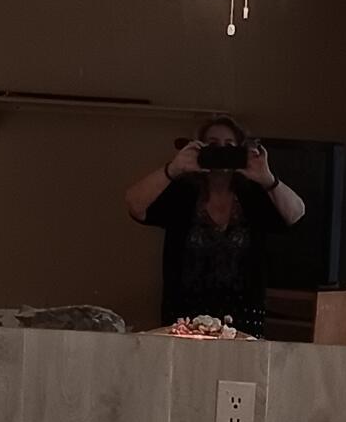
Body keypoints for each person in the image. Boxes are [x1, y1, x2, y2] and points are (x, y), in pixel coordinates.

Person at [123, 116, 307, 332]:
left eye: (229, 146)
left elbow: (296, 214)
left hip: (244, 325)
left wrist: (267, 178)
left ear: (241, 150)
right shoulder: (183, 193)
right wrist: (173, 169)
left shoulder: (253, 195)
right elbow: (134, 204)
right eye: (212, 145)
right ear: (199, 149)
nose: (221, 152)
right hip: (184, 323)